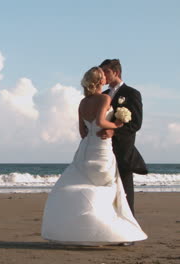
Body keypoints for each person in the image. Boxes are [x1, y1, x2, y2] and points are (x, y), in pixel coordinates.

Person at [41, 67, 147, 245]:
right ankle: (107, 230)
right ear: (99, 81)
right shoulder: (105, 98)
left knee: (86, 185)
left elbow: (82, 131)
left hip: (85, 149)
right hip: (101, 148)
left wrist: (93, 131)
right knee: (106, 186)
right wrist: (117, 125)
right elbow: (100, 121)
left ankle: (83, 229)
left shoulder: (83, 103)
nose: (106, 77)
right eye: (103, 75)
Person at [98, 59, 148, 216]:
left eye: (106, 72)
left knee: (125, 193)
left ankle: (129, 231)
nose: (102, 76)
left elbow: (136, 124)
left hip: (123, 150)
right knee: (105, 191)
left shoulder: (131, 94)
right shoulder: (102, 95)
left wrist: (114, 132)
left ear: (116, 72)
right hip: (102, 149)